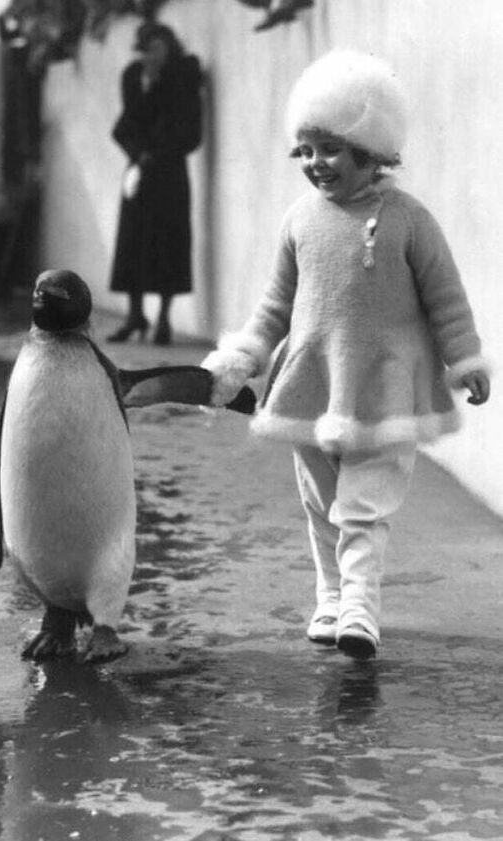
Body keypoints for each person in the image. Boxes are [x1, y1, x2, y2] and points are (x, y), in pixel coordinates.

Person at [201, 49, 491, 660]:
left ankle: (361, 605)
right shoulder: (299, 220)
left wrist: (465, 360)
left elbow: (447, 299)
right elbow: (275, 304)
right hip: (312, 383)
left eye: (329, 149)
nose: (314, 164)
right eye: (304, 151)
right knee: (320, 500)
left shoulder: (409, 220)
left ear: (371, 148)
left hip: (387, 387)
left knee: (364, 503)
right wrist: (243, 356)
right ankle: (330, 595)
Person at [107, 21, 202, 346]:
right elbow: (125, 126)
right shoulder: (135, 78)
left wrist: (157, 156)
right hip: (139, 171)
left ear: (171, 47)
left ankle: (163, 318)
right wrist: (138, 154)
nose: (152, 54)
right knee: (133, 243)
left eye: (159, 47)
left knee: (168, 244)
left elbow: (191, 133)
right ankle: (135, 315)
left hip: (169, 174)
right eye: (147, 48)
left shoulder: (184, 77)